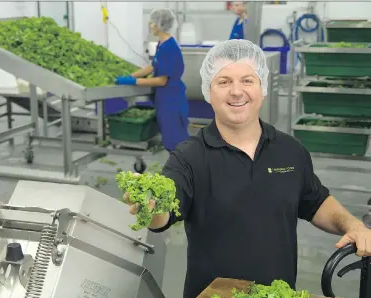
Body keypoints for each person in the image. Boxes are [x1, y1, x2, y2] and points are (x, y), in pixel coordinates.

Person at [122, 39, 371, 298]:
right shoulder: (189, 156)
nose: (236, 91)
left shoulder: (290, 150)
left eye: (247, 80)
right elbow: (162, 216)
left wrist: (352, 225)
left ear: (262, 87)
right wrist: (151, 207)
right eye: (224, 81)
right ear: (209, 91)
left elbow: (316, 201)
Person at [115, 8, 189, 152]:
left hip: (171, 101)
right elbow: (153, 66)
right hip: (164, 100)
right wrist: (133, 75)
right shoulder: (162, 44)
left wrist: (133, 82)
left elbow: (162, 81)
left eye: (152, 23)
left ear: (159, 25)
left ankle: (185, 173)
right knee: (169, 139)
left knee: (176, 143)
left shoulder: (170, 47)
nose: (150, 26)